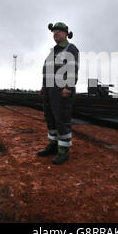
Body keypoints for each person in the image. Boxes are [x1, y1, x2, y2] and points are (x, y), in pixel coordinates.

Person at [38, 22, 79, 165]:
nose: (56, 34)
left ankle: (63, 151)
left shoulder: (71, 49)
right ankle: (53, 146)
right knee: (50, 118)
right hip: (49, 91)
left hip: (62, 91)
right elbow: (47, 70)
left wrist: (68, 87)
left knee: (61, 120)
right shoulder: (53, 51)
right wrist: (44, 86)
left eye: (59, 32)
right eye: (54, 32)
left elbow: (73, 69)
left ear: (66, 34)